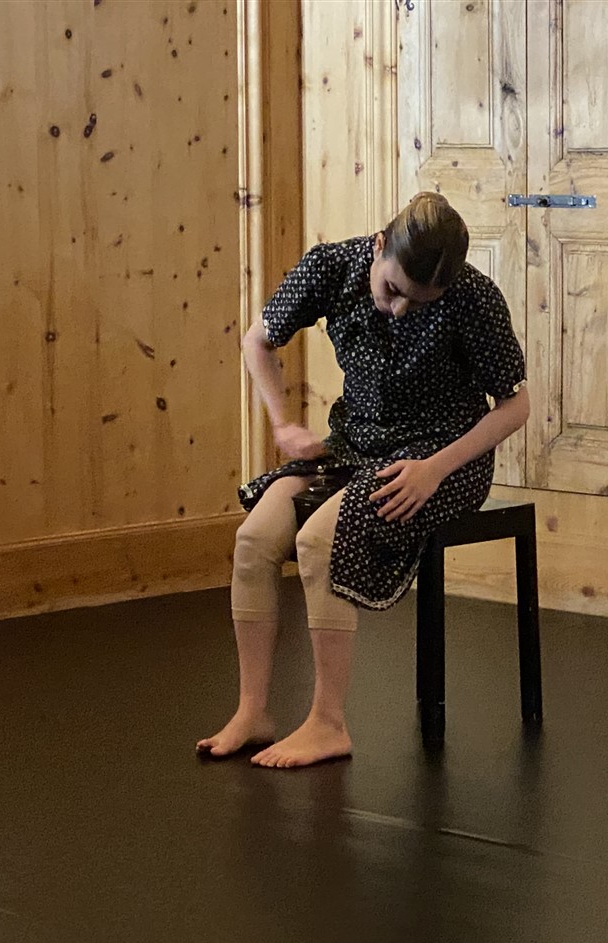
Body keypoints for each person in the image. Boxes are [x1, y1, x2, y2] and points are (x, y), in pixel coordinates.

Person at [197, 192, 529, 769]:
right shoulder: (331, 266)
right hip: (356, 443)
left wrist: (434, 469)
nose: (400, 309)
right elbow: (257, 341)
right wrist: (283, 423)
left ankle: (328, 723)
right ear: (378, 247)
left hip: (443, 457)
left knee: (318, 540)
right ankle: (253, 712)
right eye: (393, 290)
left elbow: (515, 406)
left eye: (419, 302)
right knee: (253, 540)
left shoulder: (474, 297)